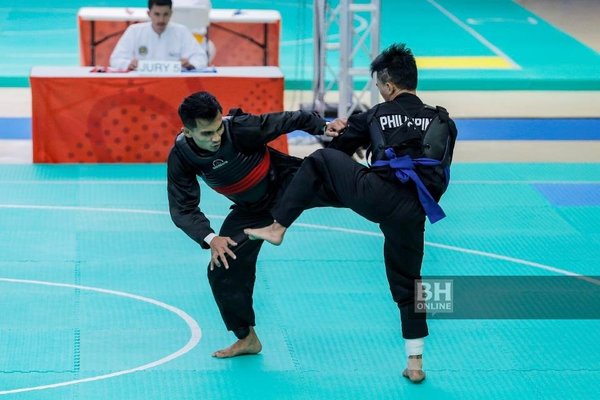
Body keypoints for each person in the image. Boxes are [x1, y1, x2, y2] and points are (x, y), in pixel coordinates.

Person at [245, 43, 458, 383]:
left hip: (375, 195)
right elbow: (439, 171)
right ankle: (415, 363)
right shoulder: (444, 120)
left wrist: (347, 131)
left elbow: (337, 151)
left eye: (378, 86)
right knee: (410, 284)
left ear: (387, 85)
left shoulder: (375, 114)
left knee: (319, 162)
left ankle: (278, 226)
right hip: (415, 209)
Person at [167, 91, 344, 358]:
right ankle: (247, 338)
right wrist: (211, 238)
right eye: (206, 134)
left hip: (289, 181)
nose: (216, 138)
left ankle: (398, 185)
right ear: (188, 132)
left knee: (353, 187)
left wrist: (322, 126)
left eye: (217, 129)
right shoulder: (181, 157)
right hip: (251, 210)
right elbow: (183, 207)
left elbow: (288, 120)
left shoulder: (238, 128)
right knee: (223, 267)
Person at [110, 0, 207, 71]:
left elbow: (201, 58)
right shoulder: (134, 31)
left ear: (171, 14)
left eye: (165, 14)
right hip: (141, 84)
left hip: (175, 84)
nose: (161, 20)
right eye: (157, 14)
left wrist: (191, 64)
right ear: (149, 14)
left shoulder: (181, 31)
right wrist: (128, 64)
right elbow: (115, 59)